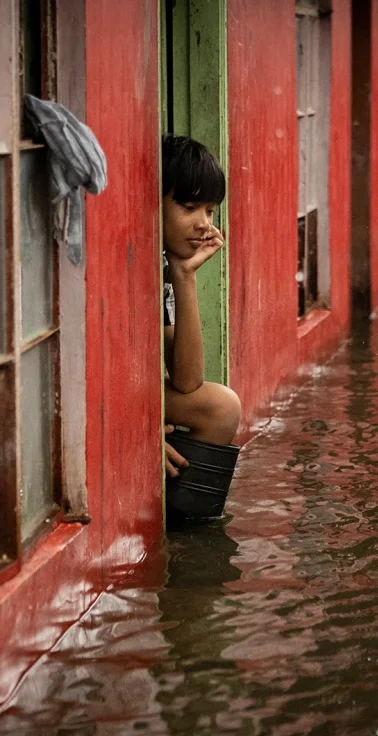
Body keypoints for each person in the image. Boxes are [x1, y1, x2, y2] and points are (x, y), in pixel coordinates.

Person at [160, 134, 241, 479]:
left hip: (136, 393)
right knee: (221, 406)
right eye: (188, 207)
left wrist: (184, 273)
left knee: (220, 408)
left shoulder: (165, 265)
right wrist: (139, 424)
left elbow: (187, 381)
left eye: (209, 210)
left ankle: (188, 517)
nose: (204, 223)